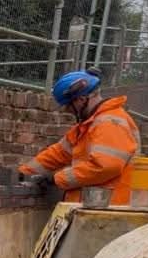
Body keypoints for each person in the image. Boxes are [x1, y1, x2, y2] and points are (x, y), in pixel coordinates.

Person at [19, 68, 141, 206]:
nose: (67, 110)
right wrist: (24, 172)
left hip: (110, 207)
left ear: (81, 99)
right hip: (93, 206)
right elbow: (57, 154)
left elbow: (105, 167)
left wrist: (57, 178)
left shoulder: (111, 123)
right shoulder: (87, 126)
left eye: (67, 105)